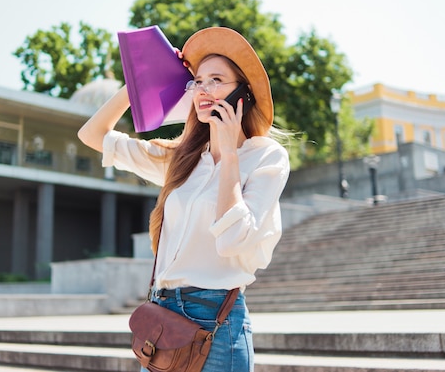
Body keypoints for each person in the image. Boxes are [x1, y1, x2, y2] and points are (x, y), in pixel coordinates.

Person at [77, 26, 290, 372]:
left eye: (216, 80)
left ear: (243, 93)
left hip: (216, 320)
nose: (203, 90)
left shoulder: (265, 157)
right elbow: (92, 134)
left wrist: (229, 155)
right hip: (163, 321)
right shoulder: (183, 158)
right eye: (197, 81)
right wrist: (141, 79)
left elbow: (233, 240)